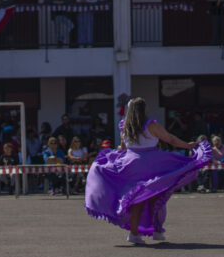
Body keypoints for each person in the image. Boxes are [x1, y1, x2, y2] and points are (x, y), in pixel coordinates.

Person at [85, 97, 210, 244]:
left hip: (130, 163)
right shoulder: (150, 124)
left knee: (137, 199)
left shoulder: (124, 125)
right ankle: (156, 231)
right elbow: (170, 139)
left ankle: (135, 233)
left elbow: (124, 148)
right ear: (144, 110)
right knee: (154, 196)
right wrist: (187, 146)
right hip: (151, 162)